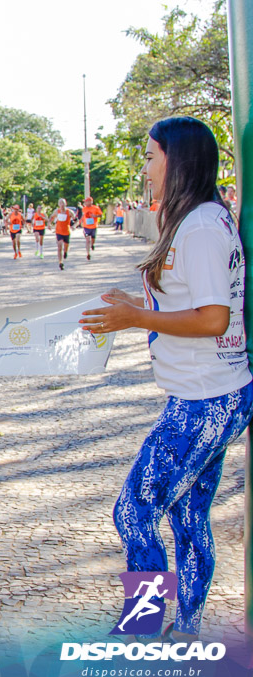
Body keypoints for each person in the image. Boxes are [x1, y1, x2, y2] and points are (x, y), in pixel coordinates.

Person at [80, 117, 253, 641]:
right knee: (188, 515)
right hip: (218, 393)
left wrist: (139, 318)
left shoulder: (199, 227)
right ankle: (187, 627)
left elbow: (212, 319)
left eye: (152, 156)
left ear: (177, 162)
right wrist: (139, 305)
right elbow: (194, 302)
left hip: (204, 400)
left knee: (133, 510)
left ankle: (142, 628)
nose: (146, 168)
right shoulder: (202, 218)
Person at [79, 196, 103, 261]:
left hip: (93, 227)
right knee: (87, 240)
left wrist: (95, 216)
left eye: (86, 201)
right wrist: (80, 221)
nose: (85, 203)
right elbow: (83, 216)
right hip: (86, 227)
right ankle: (88, 253)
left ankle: (92, 244)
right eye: (85, 202)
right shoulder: (84, 209)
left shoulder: (96, 208)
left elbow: (101, 215)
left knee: (92, 239)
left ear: (90, 202)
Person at [53, 197, 73, 270]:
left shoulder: (69, 212)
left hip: (66, 232)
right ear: (58, 204)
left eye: (63, 203)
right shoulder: (56, 211)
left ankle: (66, 252)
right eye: (60, 203)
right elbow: (51, 218)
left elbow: (76, 220)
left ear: (65, 204)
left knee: (66, 246)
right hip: (59, 232)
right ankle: (60, 262)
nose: (62, 205)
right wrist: (49, 224)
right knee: (59, 246)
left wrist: (74, 226)